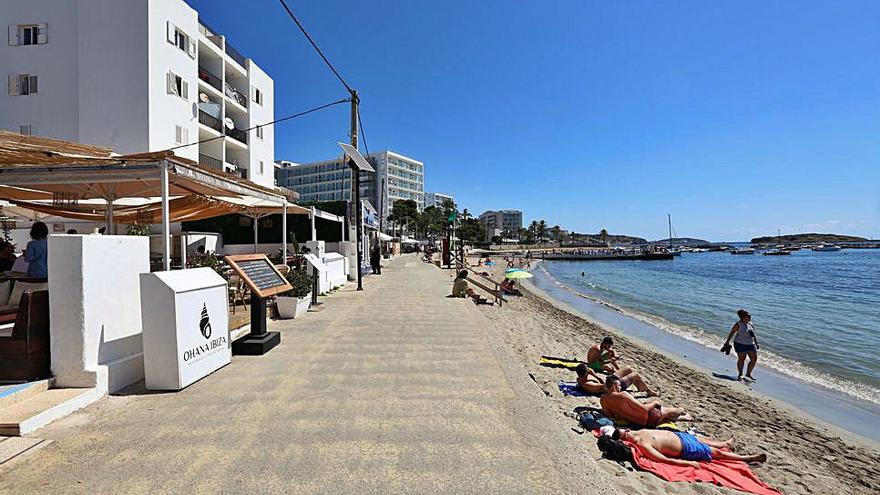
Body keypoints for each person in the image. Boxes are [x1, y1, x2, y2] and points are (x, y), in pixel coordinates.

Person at [611, 428, 766, 467]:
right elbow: (662, 459)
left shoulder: (637, 431)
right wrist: (688, 463)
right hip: (684, 448)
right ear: (625, 440)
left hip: (681, 437)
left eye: (625, 430)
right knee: (716, 453)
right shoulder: (642, 444)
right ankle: (749, 458)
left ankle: (726, 443)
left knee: (704, 440)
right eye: (625, 434)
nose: (627, 432)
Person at [600, 375, 692, 427]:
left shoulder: (603, 399)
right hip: (649, 419)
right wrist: (654, 402)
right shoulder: (623, 395)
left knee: (666, 416)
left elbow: (610, 415)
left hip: (635, 422)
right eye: (619, 385)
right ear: (614, 386)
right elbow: (644, 409)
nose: (620, 387)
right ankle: (684, 413)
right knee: (677, 410)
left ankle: (684, 418)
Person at [575, 363, 659, 397]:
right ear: (586, 373)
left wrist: (591, 374)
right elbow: (606, 386)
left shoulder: (580, 378)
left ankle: (639, 386)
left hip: (609, 381)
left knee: (628, 369)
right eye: (587, 369)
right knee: (635, 375)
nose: (589, 369)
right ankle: (649, 391)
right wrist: (594, 375)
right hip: (614, 386)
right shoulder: (588, 384)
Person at [723, 309, 760, 381]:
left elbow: (753, 334)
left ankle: (748, 374)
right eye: (747, 316)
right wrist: (727, 342)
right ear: (742, 317)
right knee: (742, 359)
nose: (749, 317)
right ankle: (740, 374)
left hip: (750, 344)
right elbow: (732, 333)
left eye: (749, 316)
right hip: (740, 344)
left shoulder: (750, 324)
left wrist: (756, 342)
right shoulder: (738, 324)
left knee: (754, 359)